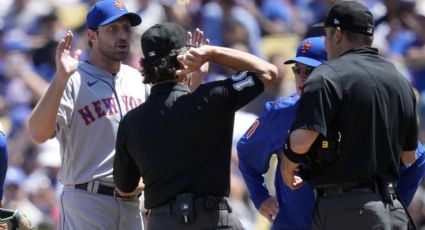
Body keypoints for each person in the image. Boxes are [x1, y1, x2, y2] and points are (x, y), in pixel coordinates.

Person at [237, 36, 425, 229]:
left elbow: (416, 160)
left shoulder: (359, 112)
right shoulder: (280, 113)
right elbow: (246, 154)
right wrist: (260, 198)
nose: (301, 78)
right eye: (297, 70)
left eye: (310, 71)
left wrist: (395, 204)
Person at [113, 22, 278, 229]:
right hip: (214, 220)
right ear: (185, 58)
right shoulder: (213, 97)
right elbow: (268, 72)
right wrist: (211, 53)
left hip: (164, 222)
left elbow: (125, 187)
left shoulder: (131, 121)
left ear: (145, 64)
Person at [280, 1, 418, 229]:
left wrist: (287, 167)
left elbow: (301, 143)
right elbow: (409, 157)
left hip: (345, 208)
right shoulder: (399, 79)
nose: (325, 42)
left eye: (325, 35)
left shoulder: (327, 76)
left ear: (338, 34)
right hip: (391, 208)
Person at [27, 1, 146, 229]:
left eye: (126, 28)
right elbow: (38, 133)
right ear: (92, 35)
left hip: (132, 204)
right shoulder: (73, 78)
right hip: (86, 201)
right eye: (112, 29)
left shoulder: (139, 81)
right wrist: (61, 79)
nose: (122, 36)